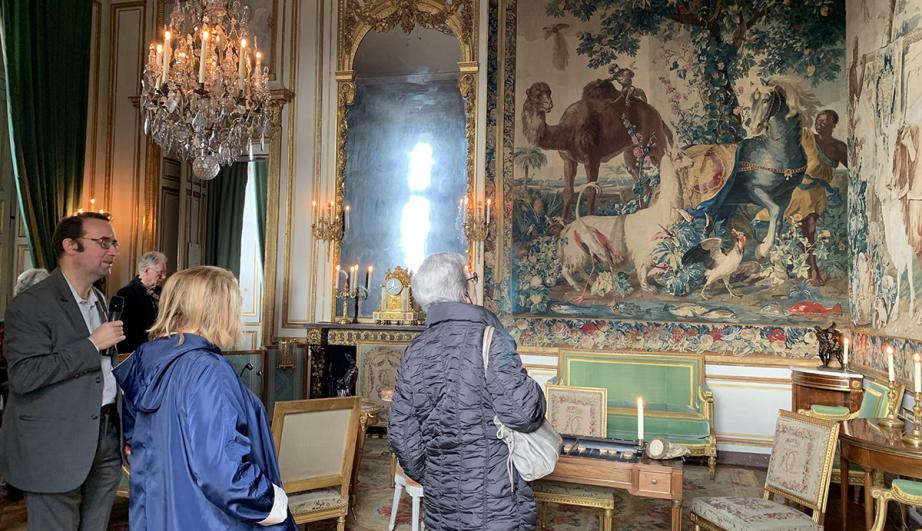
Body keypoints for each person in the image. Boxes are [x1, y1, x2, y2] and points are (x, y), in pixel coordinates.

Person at [114, 266, 296, 530]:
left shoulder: (147, 358)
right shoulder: (208, 370)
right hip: (208, 517)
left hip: (162, 511)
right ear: (216, 310)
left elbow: (134, 439)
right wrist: (274, 503)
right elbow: (224, 473)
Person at [388, 253, 546, 530]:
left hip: (441, 502)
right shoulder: (490, 340)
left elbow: (401, 435)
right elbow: (525, 414)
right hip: (497, 502)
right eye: (472, 279)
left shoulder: (414, 351)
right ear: (465, 292)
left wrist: (437, 474)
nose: (474, 284)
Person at [1, 212, 125, 531]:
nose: (113, 250)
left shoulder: (98, 299)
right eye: (103, 242)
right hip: (54, 444)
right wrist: (90, 344)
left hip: (105, 436)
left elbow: (103, 372)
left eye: (114, 243)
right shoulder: (31, 304)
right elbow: (25, 375)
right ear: (71, 246)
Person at [758, 109, 848, 285]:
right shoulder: (807, 137)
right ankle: (781, 266)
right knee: (778, 223)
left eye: (825, 122)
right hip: (797, 190)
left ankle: (812, 270)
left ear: (833, 125)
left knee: (810, 228)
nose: (820, 124)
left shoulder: (838, 147)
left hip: (816, 194)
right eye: (818, 121)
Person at [115, 251, 167, 353]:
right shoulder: (127, 294)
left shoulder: (161, 292)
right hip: (138, 352)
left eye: (164, 273)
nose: (164, 277)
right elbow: (127, 334)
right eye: (160, 274)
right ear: (146, 270)